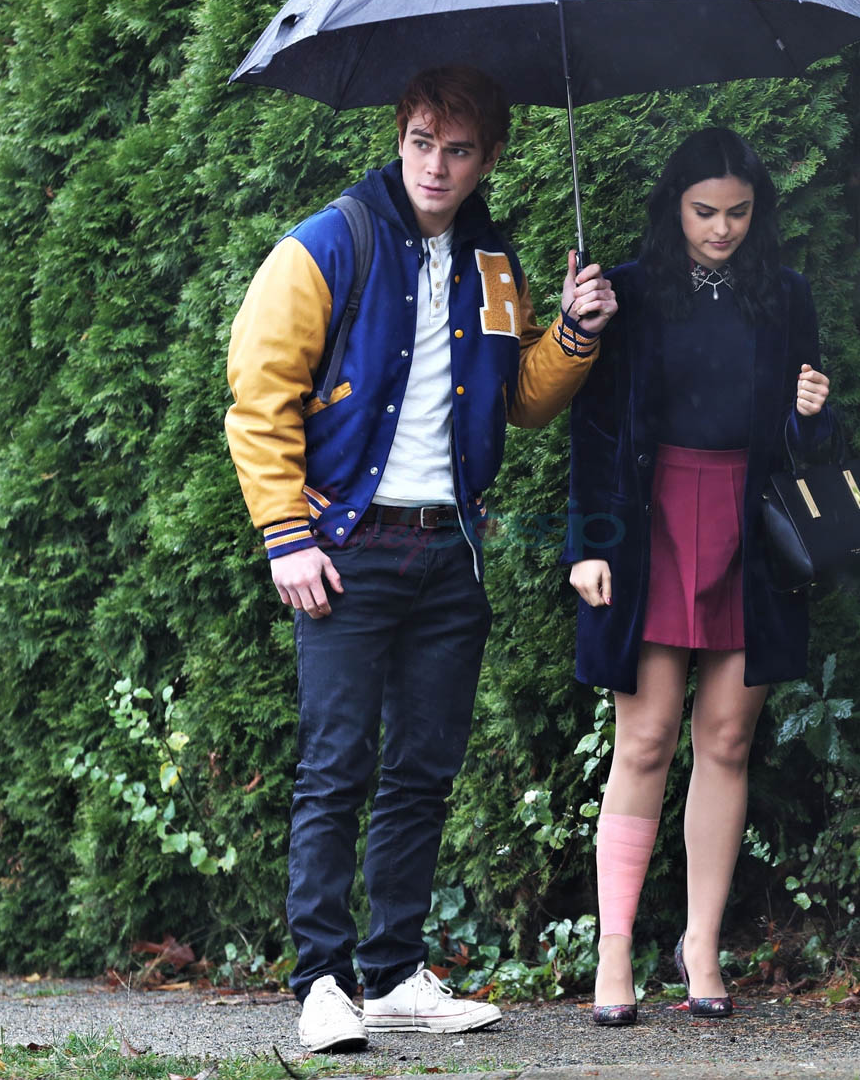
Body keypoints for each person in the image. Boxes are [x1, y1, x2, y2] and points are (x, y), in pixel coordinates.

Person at [226, 65, 617, 1052]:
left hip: (451, 552)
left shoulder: (493, 262)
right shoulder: (326, 244)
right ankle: (321, 981)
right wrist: (285, 534)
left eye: (458, 149)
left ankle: (394, 973)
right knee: (334, 767)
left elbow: (518, 399)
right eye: (420, 143)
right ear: (399, 135)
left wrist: (573, 333)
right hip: (345, 550)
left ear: (490, 157)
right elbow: (259, 399)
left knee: (421, 772)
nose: (435, 166)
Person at [562, 128, 830, 1026]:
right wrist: (587, 544)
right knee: (643, 741)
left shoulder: (784, 295)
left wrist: (810, 415)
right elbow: (593, 428)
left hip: (748, 528)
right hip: (651, 526)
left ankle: (700, 944)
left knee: (724, 739)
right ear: (673, 206)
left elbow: (803, 449)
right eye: (704, 212)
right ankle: (613, 952)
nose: (721, 229)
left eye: (738, 213)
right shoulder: (626, 293)